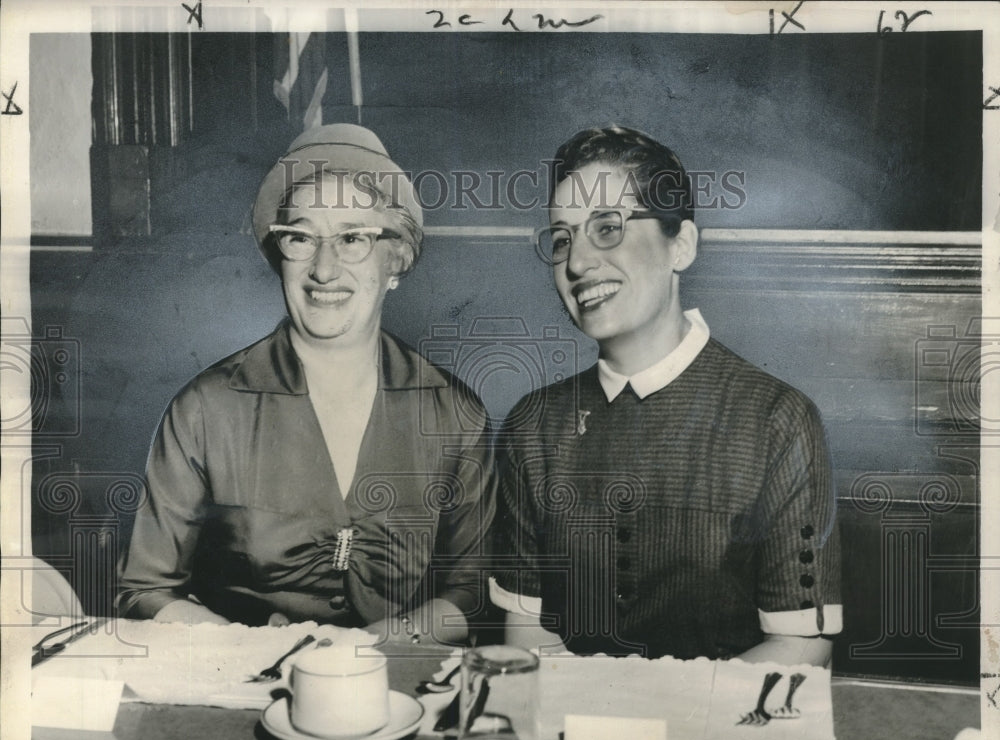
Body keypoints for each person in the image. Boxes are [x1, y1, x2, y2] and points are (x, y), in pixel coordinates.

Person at [117, 124, 495, 645]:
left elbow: (469, 592)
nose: (324, 267)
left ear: (396, 260)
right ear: (280, 256)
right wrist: (247, 648)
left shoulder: (456, 414)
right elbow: (144, 590)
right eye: (300, 237)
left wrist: (370, 647)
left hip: (399, 687)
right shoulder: (205, 408)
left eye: (353, 238)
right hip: (243, 684)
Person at [490, 126, 841, 665]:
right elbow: (526, 632)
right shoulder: (532, 425)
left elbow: (799, 644)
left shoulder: (778, 420)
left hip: (718, 737)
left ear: (681, 245)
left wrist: (656, 730)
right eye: (562, 239)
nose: (578, 262)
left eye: (608, 228)